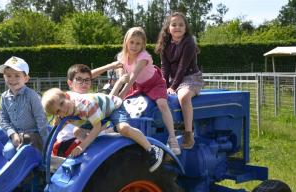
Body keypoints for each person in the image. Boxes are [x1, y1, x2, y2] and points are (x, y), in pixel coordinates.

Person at [42, 87, 160, 172]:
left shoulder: (85, 105)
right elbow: (55, 129)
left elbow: (97, 127)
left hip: (112, 108)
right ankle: (95, 144)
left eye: (62, 104)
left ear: (67, 96)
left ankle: (151, 149)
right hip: (96, 116)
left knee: (123, 128)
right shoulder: (65, 112)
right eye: (57, 111)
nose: (62, 110)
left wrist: (82, 146)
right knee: (76, 131)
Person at [112, 26, 181, 155]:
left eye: (138, 43)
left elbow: (133, 77)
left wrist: (121, 95)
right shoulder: (122, 57)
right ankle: (116, 130)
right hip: (139, 86)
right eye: (131, 42)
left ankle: (172, 137)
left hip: (154, 83)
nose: (134, 46)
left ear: (143, 45)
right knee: (123, 106)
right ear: (126, 41)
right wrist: (117, 94)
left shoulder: (143, 56)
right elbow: (123, 77)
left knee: (162, 103)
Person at [52, 62, 128, 157]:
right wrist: (111, 66)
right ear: (70, 83)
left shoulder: (88, 100)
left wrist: (119, 81)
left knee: (105, 129)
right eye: (79, 80)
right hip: (69, 142)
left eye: (87, 80)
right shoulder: (70, 99)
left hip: (74, 140)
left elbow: (110, 101)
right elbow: (85, 74)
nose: (83, 83)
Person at [155, 12, 204, 149]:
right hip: (174, 79)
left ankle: (189, 134)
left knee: (183, 97)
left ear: (186, 28)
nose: (178, 27)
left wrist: (173, 87)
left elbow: (183, 67)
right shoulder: (165, 44)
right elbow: (165, 68)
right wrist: (164, 86)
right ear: (168, 28)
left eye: (181, 25)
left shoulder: (189, 43)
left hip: (191, 77)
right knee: (159, 97)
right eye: (174, 24)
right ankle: (166, 134)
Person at [0, 56, 49, 159]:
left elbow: (41, 118)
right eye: (8, 75)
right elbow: (3, 119)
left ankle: (32, 172)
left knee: (26, 153)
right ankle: (16, 172)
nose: (12, 79)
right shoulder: (4, 97)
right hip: (16, 134)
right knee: (8, 152)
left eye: (17, 76)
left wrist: (46, 143)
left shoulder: (31, 95)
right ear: (4, 77)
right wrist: (12, 134)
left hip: (33, 134)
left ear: (26, 78)